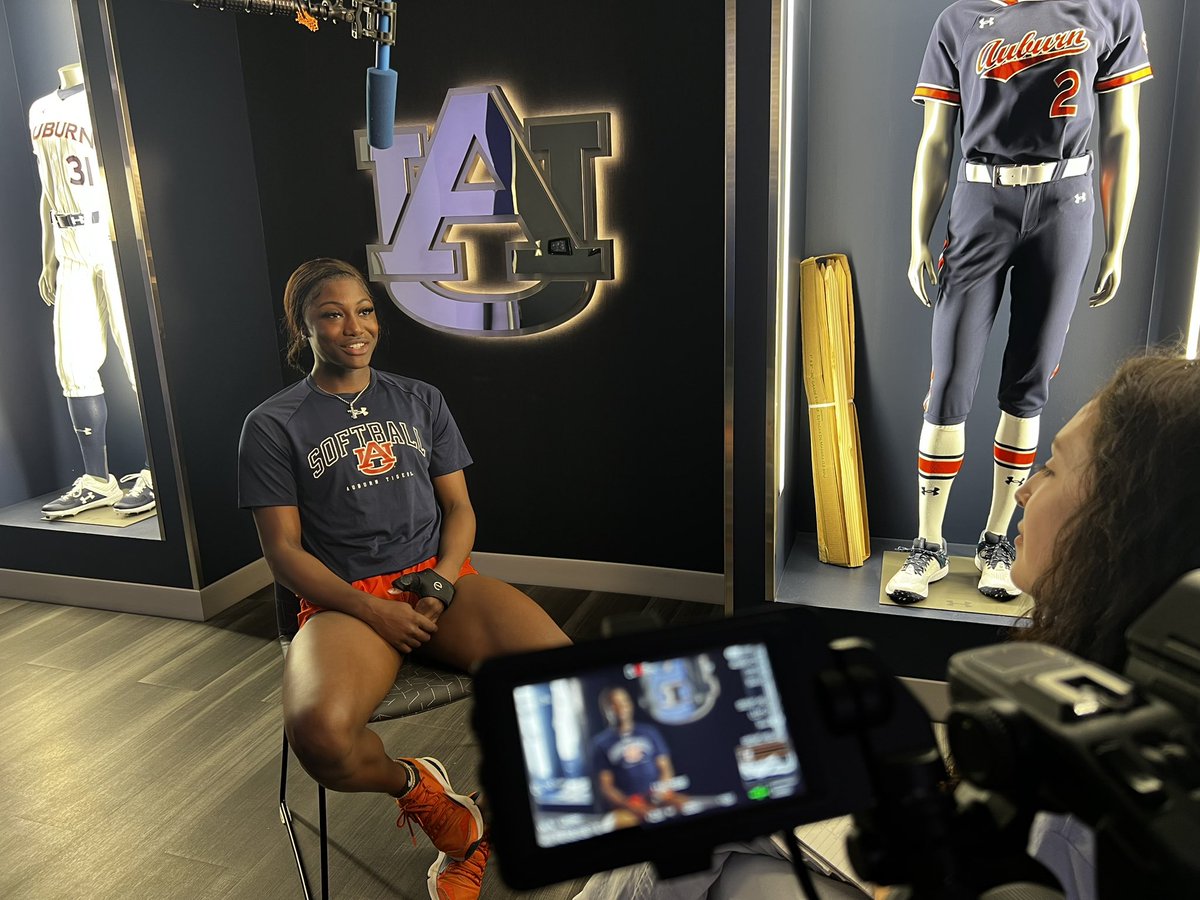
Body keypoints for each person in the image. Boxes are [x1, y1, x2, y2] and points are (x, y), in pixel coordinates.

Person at [237, 258, 570, 900]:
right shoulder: (273, 424)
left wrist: (443, 581)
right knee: (323, 740)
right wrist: (373, 613)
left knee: (569, 688)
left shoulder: (419, 399)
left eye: (363, 310)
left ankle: (492, 823)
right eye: (331, 315)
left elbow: (461, 509)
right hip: (344, 602)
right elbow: (283, 553)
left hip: (437, 583)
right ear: (302, 328)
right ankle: (437, 805)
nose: (353, 327)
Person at [886, 0, 1152, 605]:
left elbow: (1121, 129)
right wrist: (916, 239)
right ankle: (928, 546)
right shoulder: (959, 19)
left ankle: (996, 542)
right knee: (950, 379)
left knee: (1028, 383)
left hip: (1067, 201)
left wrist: (1117, 243)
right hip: (982, 200)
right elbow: (935, 139)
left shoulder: (1109, 9)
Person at [591, 686, 686, 828]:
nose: (620, 708)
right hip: (628, 805)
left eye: (623, 702)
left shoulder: (649, 732)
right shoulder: (600, 743)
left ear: (630, 704)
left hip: (659, 797)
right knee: (616, 824)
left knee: (687, 807)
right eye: (614, 704)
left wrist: (660, 793)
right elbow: (606, 787)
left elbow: (665, 767)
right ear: (605, 710)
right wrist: (631, 805)